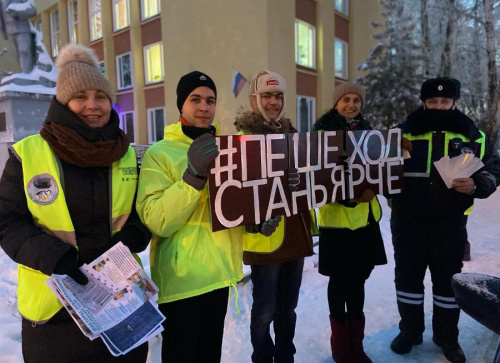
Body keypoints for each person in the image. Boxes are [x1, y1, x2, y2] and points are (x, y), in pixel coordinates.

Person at [0, 44, 151, 362]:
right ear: (63, 102)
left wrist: (136, 233)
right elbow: (7, 222)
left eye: (100, 96)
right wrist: (53, 257)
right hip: (56, 313)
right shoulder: (27, 154)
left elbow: (140, 210)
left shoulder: (124, 154)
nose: (92, 105)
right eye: (80, 96)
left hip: (120, 303)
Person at [136, 71, 277, 363]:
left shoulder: (227, 149)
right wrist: (193, 176)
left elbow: (229, 208)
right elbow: (156, 220)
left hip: (218, 275)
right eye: (195, 99)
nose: (204, 107)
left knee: (210, 356)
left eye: (210, 100)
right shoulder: (159, 154)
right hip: (182, 281)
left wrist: (255, 222)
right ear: (181, 105)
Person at [389, 77, 500, 363]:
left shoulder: (472, 135)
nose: (438, 106)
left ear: (455, 102)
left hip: (450, 222)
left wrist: (478, 185)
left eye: (445, 101)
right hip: (408, 219)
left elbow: (493, 167)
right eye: (432, 101)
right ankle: (410, 331)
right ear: (423, 102)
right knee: (407, 278)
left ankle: (447, 336)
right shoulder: (402, 133)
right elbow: (379, 168)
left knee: (447, 282)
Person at [234, 70, 314, 363]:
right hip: (265, 239)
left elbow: (310, 182)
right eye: (266, 95)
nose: (273, 102)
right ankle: (263, 358)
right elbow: (235, 195)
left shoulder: (293, 136)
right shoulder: (242, 139)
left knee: (288, 308)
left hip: (295, 233)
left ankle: (285, 356)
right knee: (265, 310)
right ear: (255, 99)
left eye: (278, 96)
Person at [312, 82, 388, 363]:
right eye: (346, 99)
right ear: (336, 103)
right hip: (338, 224)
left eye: (356, 100)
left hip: (366, 223)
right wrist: (348, 196)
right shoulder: (322, 132)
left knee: (358, 282)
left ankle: (357, 346)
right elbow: (320, 176)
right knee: (340, 282)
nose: (352, 104)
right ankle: (341, 348)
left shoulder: (368, 131)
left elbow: (378, 168)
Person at [0, 0, 36, 73]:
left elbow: (32, 9)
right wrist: (3, 32)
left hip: (23, 28)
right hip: (9, 31)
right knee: (18, 55)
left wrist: (18, 12)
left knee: (24, 51)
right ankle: (26, 72)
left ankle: (27, 74)